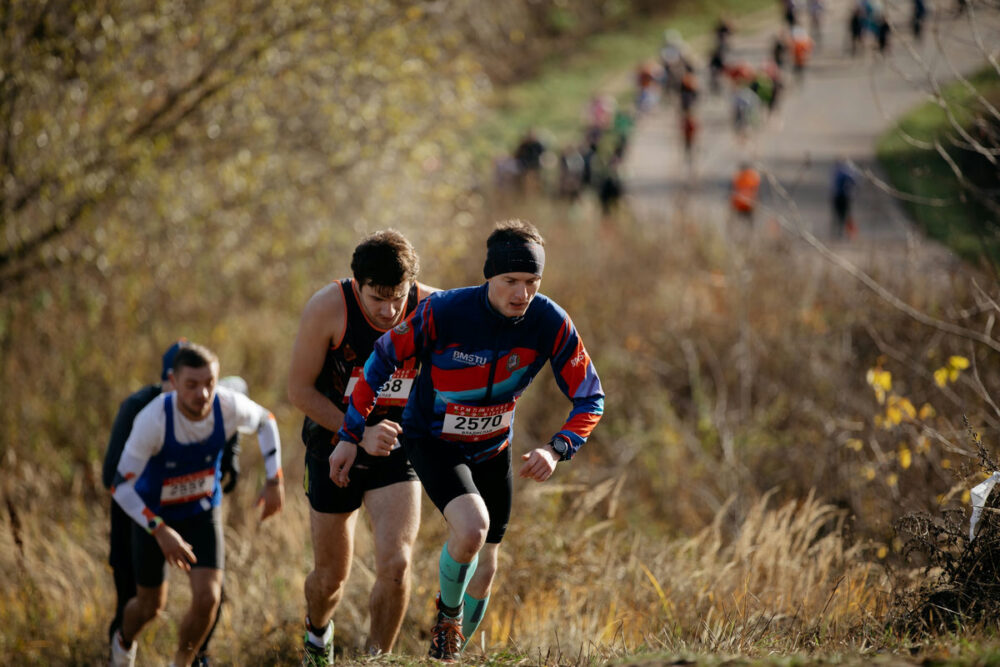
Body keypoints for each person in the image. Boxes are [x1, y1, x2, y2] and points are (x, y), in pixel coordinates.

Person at [335, 219, 605, 661]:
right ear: (489, 276)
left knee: (486, 567)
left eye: (531, 283)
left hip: (493, 446)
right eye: (510, 281)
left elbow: (590, 397)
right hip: (432, 439)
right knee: (472, 528)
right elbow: (379, 361)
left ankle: (447, 657)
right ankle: (447, 617)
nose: (521, 294)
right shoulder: (446, 312)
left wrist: (557, 448)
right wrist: (350, 433)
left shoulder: (548, 321)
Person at [287, 230, 437, 663]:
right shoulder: (328, 308)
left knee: (397, 565)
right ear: (357, 285)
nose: (390, 311)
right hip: (332, 443)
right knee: (332, 577)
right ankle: (317, 636)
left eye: (398, 297)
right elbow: (299, 391)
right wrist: (356, 432)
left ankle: (377, 659)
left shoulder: (430, 307)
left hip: (396, 446)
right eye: (377, 298)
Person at [109, 343, 284, 667]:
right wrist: (159, 530)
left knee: (209, 599)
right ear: (173, 382)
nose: (202, 394)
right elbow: (120, 487)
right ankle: (122, 643)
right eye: (191, 385)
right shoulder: (154, 419)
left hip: (201, 510)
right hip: (154, 516)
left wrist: (274, 481)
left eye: (209, 383)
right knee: (150, 607)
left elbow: (265, 421)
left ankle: (183, 663)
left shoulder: (228, 405)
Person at [831, 157, 859, 238]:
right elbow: (854, 181)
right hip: (843, 196)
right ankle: (844, 232)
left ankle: (843, 232)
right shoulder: (845, 172)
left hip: (839, 196)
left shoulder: (838, 172)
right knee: (845, 215)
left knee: (841, 215)